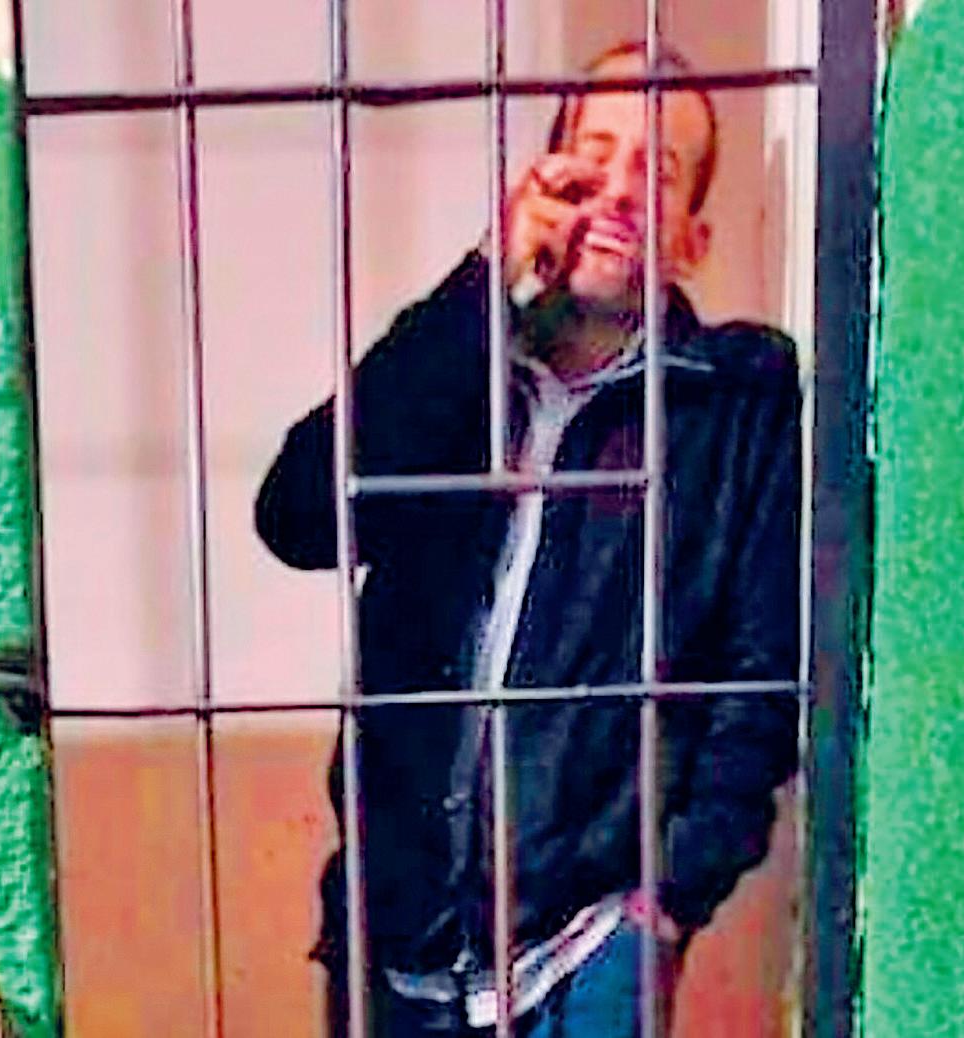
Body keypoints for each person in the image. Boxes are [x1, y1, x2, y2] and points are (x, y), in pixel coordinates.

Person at [256, 39, 801, 1038]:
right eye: (594, 157)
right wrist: (485, 275)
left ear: (692, 239)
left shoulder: (735, 405)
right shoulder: (456, 374)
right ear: (543, 184)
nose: (620, 189)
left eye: (658, 171)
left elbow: (761, 678)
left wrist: (669, 902)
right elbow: (295, 516)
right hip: (393, 944)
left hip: (587, 952)